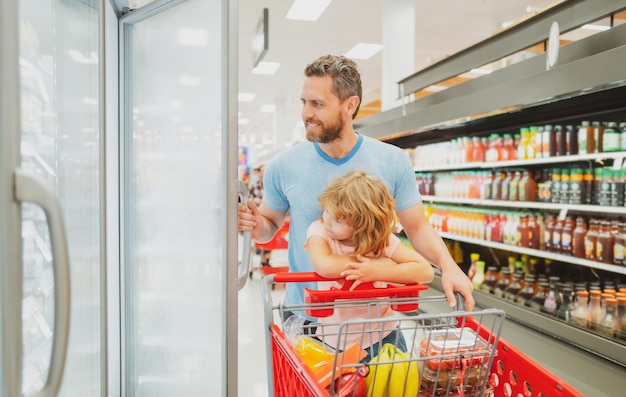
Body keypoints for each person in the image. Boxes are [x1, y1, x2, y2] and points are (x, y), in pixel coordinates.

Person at [238, 54, 474, 314]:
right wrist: (258, 226)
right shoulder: (283, 166)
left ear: (350, 105)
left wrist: (450, 267)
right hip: (309, 316)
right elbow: (269, 226)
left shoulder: (393, 160)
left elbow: (417, 228)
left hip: (373, 319)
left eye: (317, 104)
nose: (306, 113)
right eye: (304, 102)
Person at [305, 171, 434, 360]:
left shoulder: (383, 241)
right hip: (334, 339)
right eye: (326, 211)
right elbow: (324, 265)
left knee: (392, 388)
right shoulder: (320, 230)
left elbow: (425, 271)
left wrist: (376, 272)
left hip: (383, 337)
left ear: (363, 225)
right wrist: (380, 263)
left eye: (339, 219)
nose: (327, 221)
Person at [248, 164, 271, 266]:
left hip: (269, 215)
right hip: (257, 216)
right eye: (262, 171)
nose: (264, 173)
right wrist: (254, 201)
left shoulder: (272, 185)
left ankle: (265, 259)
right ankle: (260, 254)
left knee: (271, 241)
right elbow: (247, 199)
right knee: (260, 239)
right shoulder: (254, 185)